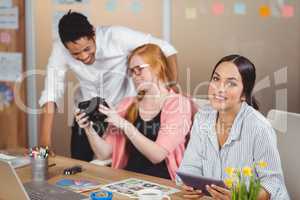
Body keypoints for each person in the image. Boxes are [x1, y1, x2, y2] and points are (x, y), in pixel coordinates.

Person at [38, 11, 179, 161]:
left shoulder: (116, 36)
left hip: (122, 113)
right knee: (80, 167)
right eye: (76, 54)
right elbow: (51, 92)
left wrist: (171, 86)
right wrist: (45, 141)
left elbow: (165, 48)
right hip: (87, 114)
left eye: (87, 49)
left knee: (119, 163)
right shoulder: (60, 50)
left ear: (93, 33)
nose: (84, 57)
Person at [178, 55, 289, 199]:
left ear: (244, 94)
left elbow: (272, 184)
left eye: (231, 83)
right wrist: (189, 185)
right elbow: (190, 166)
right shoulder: (203, 117)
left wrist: (241, 196)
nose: (219, 88)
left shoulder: (259, 127)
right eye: (216, 79)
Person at [75, 44, 193, 180]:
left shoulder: (178, 104)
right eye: (132, 71)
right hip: (128, 181)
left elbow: (158, 155)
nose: (135, 76)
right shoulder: (127, 104)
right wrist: (88, 128)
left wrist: (125, 125)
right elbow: (104, 154)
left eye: (139, 69)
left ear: (158, 67)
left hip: (163, 183)